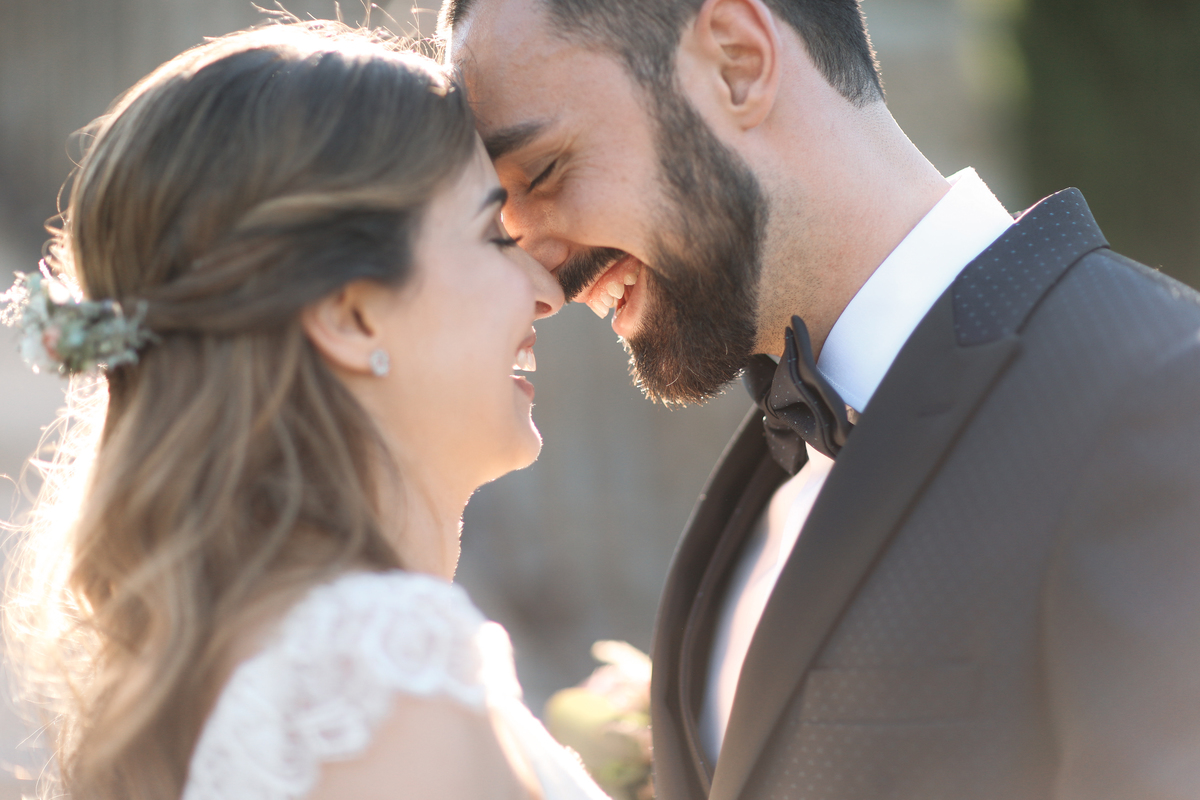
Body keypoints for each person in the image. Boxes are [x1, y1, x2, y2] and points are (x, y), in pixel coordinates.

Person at [441, 0, 1200, 797]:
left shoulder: (1163, 402)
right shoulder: (761, 488)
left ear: (738, 61)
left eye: (547, 172)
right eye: (505, 222)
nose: (542, 279)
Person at [2, 21, 612, 800]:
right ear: (351, 315)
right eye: (493, 235)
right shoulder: (374, 674)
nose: (548, 291)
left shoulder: (236, 668)